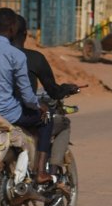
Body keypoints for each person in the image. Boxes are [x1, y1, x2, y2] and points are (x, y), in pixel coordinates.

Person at [0, 8, 53, 191]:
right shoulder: (16, 55)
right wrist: (39, 106)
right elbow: (27, 94)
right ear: (13, 28)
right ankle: (41, 172)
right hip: (10, 115)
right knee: (47, 120)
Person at [12, 15, 81, 177]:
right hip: (22, 113)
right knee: (57, 121)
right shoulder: (33, 58)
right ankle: (48, 170)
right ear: (24, 34)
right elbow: (53, 91)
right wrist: (66, 89)